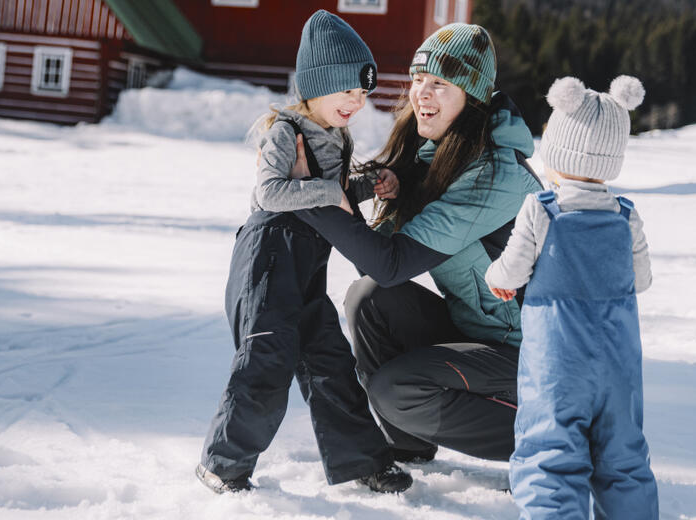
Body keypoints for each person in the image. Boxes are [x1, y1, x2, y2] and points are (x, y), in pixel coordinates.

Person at [293, 23, 543, 463]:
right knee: (368, 298)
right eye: (419, 80)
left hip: (529, 356)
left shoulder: (496, 177)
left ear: (473, 97)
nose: (421, 94)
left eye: (441, 85)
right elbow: (377, 268)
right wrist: (349, 187)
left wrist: (310, 198)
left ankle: (548, 439)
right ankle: (407, 442)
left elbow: (390, 263)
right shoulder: (435, 155)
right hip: (476, 330)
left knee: (398, 391)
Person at [196, 10, 411, 495]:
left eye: (363, 93)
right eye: (348, 91)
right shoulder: (285, 132)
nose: (358, 102)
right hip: (268, 262)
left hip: (307, 268)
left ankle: (364, 460)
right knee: (266, 363)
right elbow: (273, 193)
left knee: (331, 362)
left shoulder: (334, 135)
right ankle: (223, 465)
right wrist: (327, 192)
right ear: (316, 85)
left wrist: (368, 185)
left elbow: (327, 192)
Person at [484, 76, 658, 519]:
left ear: (557, 151)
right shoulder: (625, 216)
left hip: (557, 367)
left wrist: (497, 279)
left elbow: (512, 269)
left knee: (550, 456)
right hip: (619, 368)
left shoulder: (542, 210)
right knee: (624, 459)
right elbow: (641, 280)